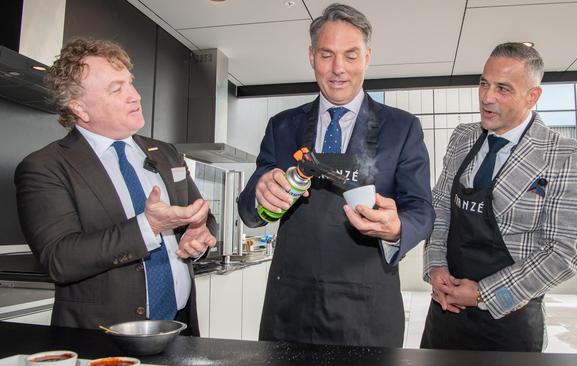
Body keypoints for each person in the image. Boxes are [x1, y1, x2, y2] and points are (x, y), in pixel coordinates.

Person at [237, 3, 434, 348]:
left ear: (368, 57)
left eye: (351, 55)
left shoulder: (401, 129)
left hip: (367, 308)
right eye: (327, 55)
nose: (338, 69)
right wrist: (260, 191)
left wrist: (397, 227)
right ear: (311, 56)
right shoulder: (283, 126)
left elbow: (421, 209)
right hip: (290, 306)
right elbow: (248, 210)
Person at [14, 38, 217, 336]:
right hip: (103, 337)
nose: (135, 95)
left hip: (181, 327)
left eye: (130, 83)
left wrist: (198, 235)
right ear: (79, 108)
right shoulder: (45, 167)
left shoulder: (165, 153)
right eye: (116, 89)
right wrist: (147, 227)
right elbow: (60, 258)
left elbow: (202, 217)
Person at [420, 42, 577, 352]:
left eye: (503, 88)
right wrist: (436, 269)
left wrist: (482, 294)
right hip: (446, 313)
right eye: (484, 83)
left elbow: (566, 251)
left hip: (510, 320)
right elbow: (441, 208)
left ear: (533, 96)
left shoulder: (566, 156)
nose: (487, 97)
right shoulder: (463, 137)